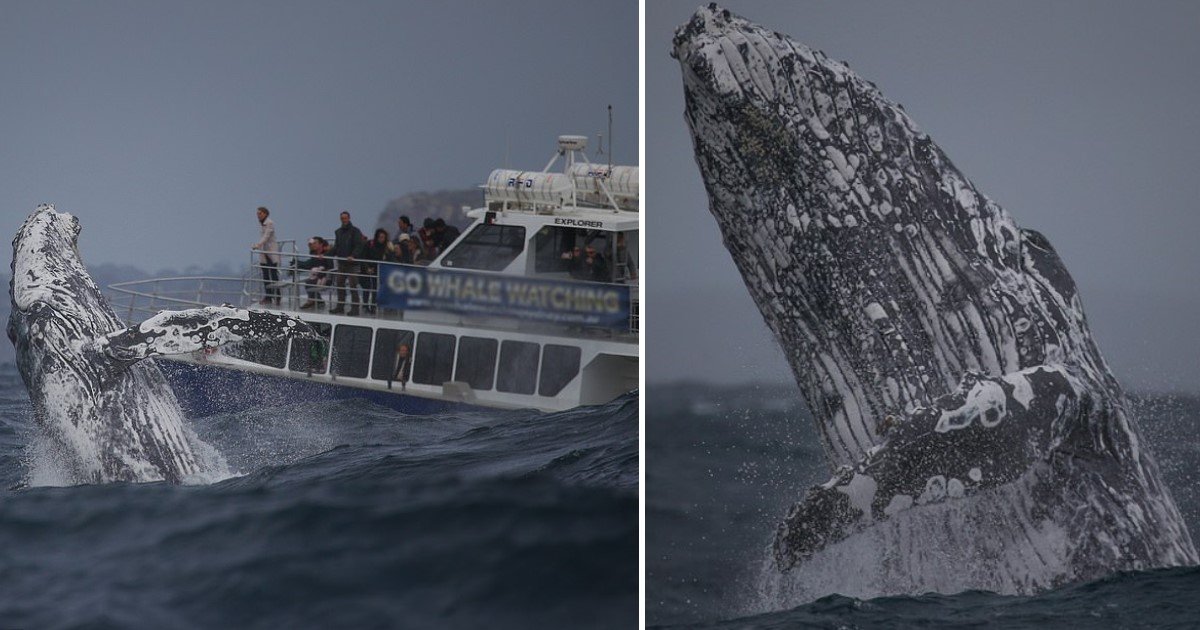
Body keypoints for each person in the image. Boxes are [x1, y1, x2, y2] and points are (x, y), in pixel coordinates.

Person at [330, 211, 365, 316]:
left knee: (353, 286)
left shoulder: (355, 231)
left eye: (345, 218)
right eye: (342, 218)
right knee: (339, 284)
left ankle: (355, 308)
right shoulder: (338, 232)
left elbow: (359, 245)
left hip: (352, 264)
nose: (344, 220)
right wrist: (326, 254)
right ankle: (340, 306)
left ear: (349, 218)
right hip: (342, 263)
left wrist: (353, 255)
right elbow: (336, 247)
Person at [360, 228, 396, 315]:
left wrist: (391, 250)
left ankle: (373, 307)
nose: (381, 239)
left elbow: (390, 259)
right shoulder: (369, 244)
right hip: (366, 269)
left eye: (383, 237)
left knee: (375, 289)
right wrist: (367, 268)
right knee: (367, 287)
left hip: (378, 271)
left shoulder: (386, 247)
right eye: (380, 237)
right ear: (377, 237)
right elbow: (363, 257)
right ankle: (365, 306)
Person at [252, 207, 280, 305]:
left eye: (260, 213)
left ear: (265, 214)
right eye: (257, 214)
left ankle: (277, 296)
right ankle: (268, 296)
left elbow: (266, 237)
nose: (258, 216)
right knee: (266, 276)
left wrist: (258, 245)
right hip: (265, 253)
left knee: (273, 275)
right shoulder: (263, 224)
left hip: (270, 253)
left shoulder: (269, 223)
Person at [294, 237, 330, 310]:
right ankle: (316, 300)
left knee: (310, 282)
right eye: (312, 243)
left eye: (315, 243)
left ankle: (312, 301)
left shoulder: (327, 254)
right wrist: (297, 263)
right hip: (317, 276)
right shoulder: (314, 254)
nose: (313, 245)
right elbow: (310, 264)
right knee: (310, 281)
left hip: (325, 277)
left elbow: (329, 267)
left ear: (321, 244)